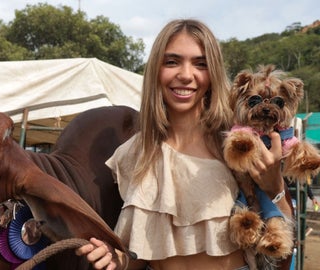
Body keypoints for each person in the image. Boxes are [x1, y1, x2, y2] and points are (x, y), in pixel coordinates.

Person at [76, 19, 292, 270]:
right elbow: (136, 258)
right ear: (156, 69)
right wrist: (115, 259)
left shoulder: (237, 145)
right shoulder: (133, 153)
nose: (186, 75)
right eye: (172, 61)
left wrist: (275, 187)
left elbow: (281, 249)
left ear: (212, 74)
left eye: (200, 64)